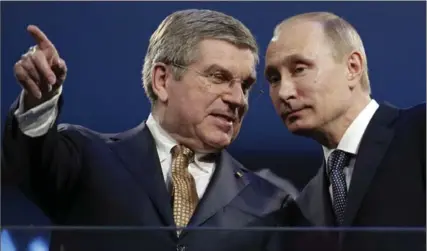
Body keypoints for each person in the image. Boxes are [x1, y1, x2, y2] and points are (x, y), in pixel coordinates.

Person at [2, 9, 298, 251]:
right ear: (162, 80)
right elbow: (28, 159)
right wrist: (39, 100)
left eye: (245, 85)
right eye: (219, 77)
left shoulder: (269, 202)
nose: (237, 99)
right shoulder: (86, 158)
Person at [265, 12, 426, 251]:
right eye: (274, 78)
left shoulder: (419, 132)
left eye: (299, 69)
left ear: (353, 67)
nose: (284, 92)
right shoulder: (304, 206)